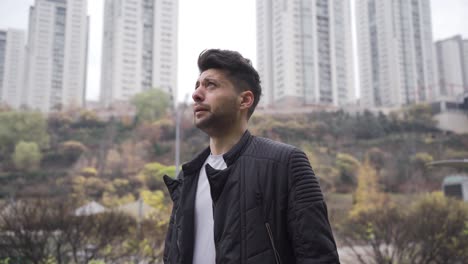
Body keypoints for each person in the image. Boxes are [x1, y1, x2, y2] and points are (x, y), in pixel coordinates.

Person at [163, 49, 340, 264]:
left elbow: (319, 257)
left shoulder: (285, 163)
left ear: (245, 100)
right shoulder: (187, 177)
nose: (196, 94)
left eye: (210, 85)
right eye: (197, 86)